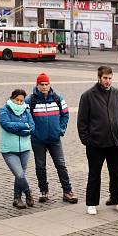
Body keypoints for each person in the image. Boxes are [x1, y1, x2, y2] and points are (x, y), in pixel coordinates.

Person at [77, 66, 118, 216]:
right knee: (94, 174)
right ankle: (92, 203)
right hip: (96, 143)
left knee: (117, 173)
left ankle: (117, 200)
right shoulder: (88, 95)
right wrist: (86, 140)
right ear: (99, 77)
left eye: (110, 78)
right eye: (105, 78)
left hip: (116, 142)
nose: (108, 81)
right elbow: (82, 121)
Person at [26, 73, 77, 204]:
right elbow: (26, 117)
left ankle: (67, 191)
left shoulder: (58, 99)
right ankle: (44, 191)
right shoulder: (30, 100)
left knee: (61, 165)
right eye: (41, 84)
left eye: (46, 84)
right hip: (38, 140)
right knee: (40, 166)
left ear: (49, 85)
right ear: (37, 85)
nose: (44, 87)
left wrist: (61, 130)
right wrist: (33, 131)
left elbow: (65, 115)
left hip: (54, 139)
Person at [0, 89, 36, 209]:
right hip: (9, 149)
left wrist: (21, 128)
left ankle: (17, 198)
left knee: (20, 175)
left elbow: (32, 127)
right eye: (17, 100)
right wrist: (23, 126)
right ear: (12, 98)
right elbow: (7, 125)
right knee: (19, 174)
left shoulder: (26, 110)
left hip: (24, 148)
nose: (19, 103)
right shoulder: (4, 110)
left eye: (21, 100)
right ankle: (28, 192)